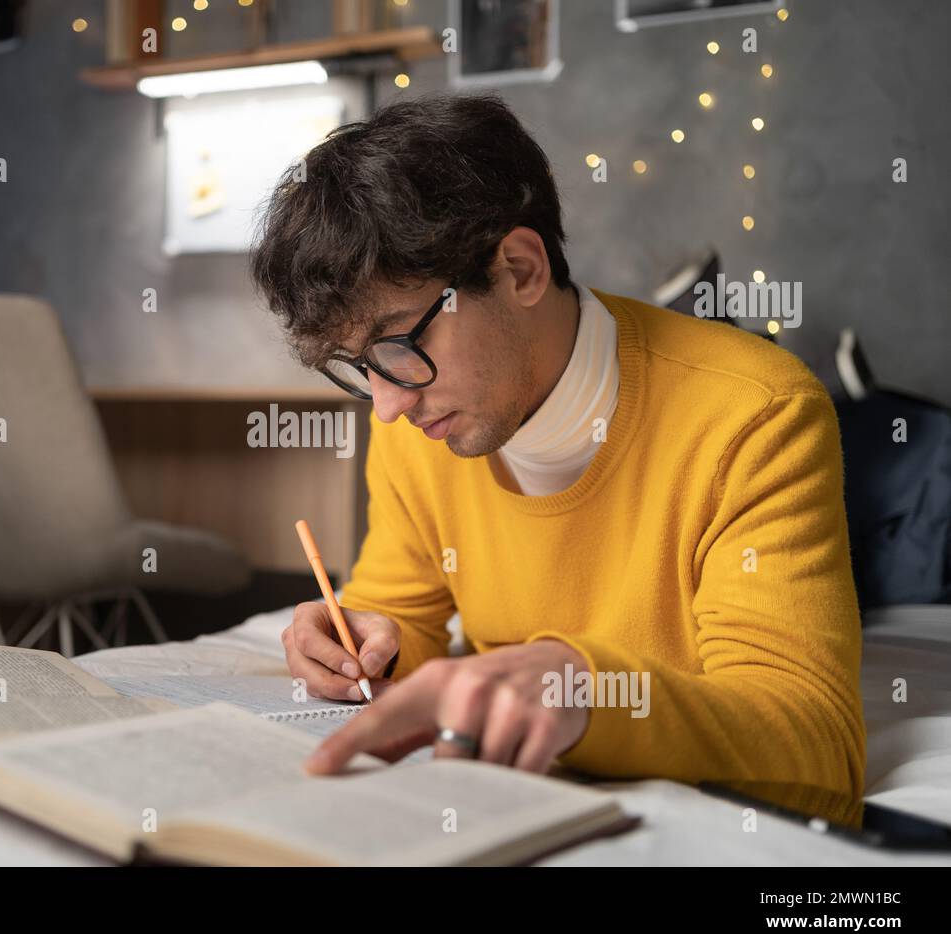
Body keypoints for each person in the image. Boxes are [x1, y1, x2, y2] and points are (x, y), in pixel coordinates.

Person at [248, 92, 865, 823]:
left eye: (396, 343)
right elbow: (400, 617)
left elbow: (817, 743)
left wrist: (583, 688)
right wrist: (360, 640)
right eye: (357, 365)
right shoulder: (418, 415)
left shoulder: (758, 415)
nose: (385, 405)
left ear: (519, 268)